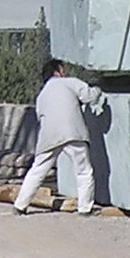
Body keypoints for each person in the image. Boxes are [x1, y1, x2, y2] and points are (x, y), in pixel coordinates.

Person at [14, 58, 107, 216]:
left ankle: (20, 205)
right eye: (62, 70)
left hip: (48, 135)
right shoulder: (70, 82)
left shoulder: (42, 95)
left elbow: (40, 116)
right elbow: (89, 97)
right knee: (83, 171)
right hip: (72, 131)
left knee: (38, 170)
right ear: (57, 71)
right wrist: (98, 89)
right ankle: (85, 209)